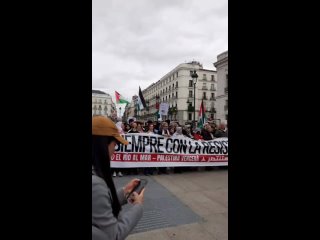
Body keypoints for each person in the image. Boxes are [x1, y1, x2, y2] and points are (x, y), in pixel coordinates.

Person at [92, 116, 145, 240]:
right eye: (114, 145)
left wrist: (124, 192)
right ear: (103, 145)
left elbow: (97, 206)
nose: (115, 151)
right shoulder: (96, 184)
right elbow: (114, 235)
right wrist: (138, 206)